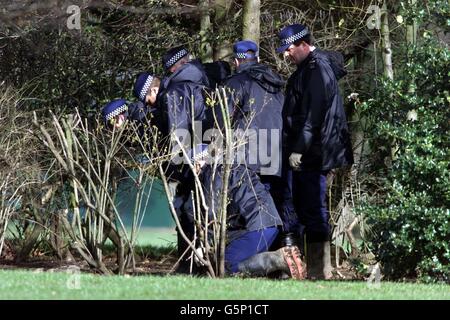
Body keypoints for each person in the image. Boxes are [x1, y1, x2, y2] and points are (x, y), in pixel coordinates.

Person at [276, 24, 354, 279]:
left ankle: (321, 272)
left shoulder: (317, 70)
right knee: (304, 208)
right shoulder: (306, 69)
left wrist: (298, 149)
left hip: (313, 152)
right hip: (309, 150)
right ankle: (310, 270)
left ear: (302, 44)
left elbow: (313, 115)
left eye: (289, 49)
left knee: (313, 211)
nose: (286, 55)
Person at [222, 40, 300, 249]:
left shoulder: (236, 83)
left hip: (249, 157)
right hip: (277, 154)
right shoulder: (276, 83)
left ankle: (253, 260)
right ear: (257, 58)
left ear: (236, 62)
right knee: (279, 204)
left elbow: (222, 120)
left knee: (254, 213)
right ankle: (286, 253)